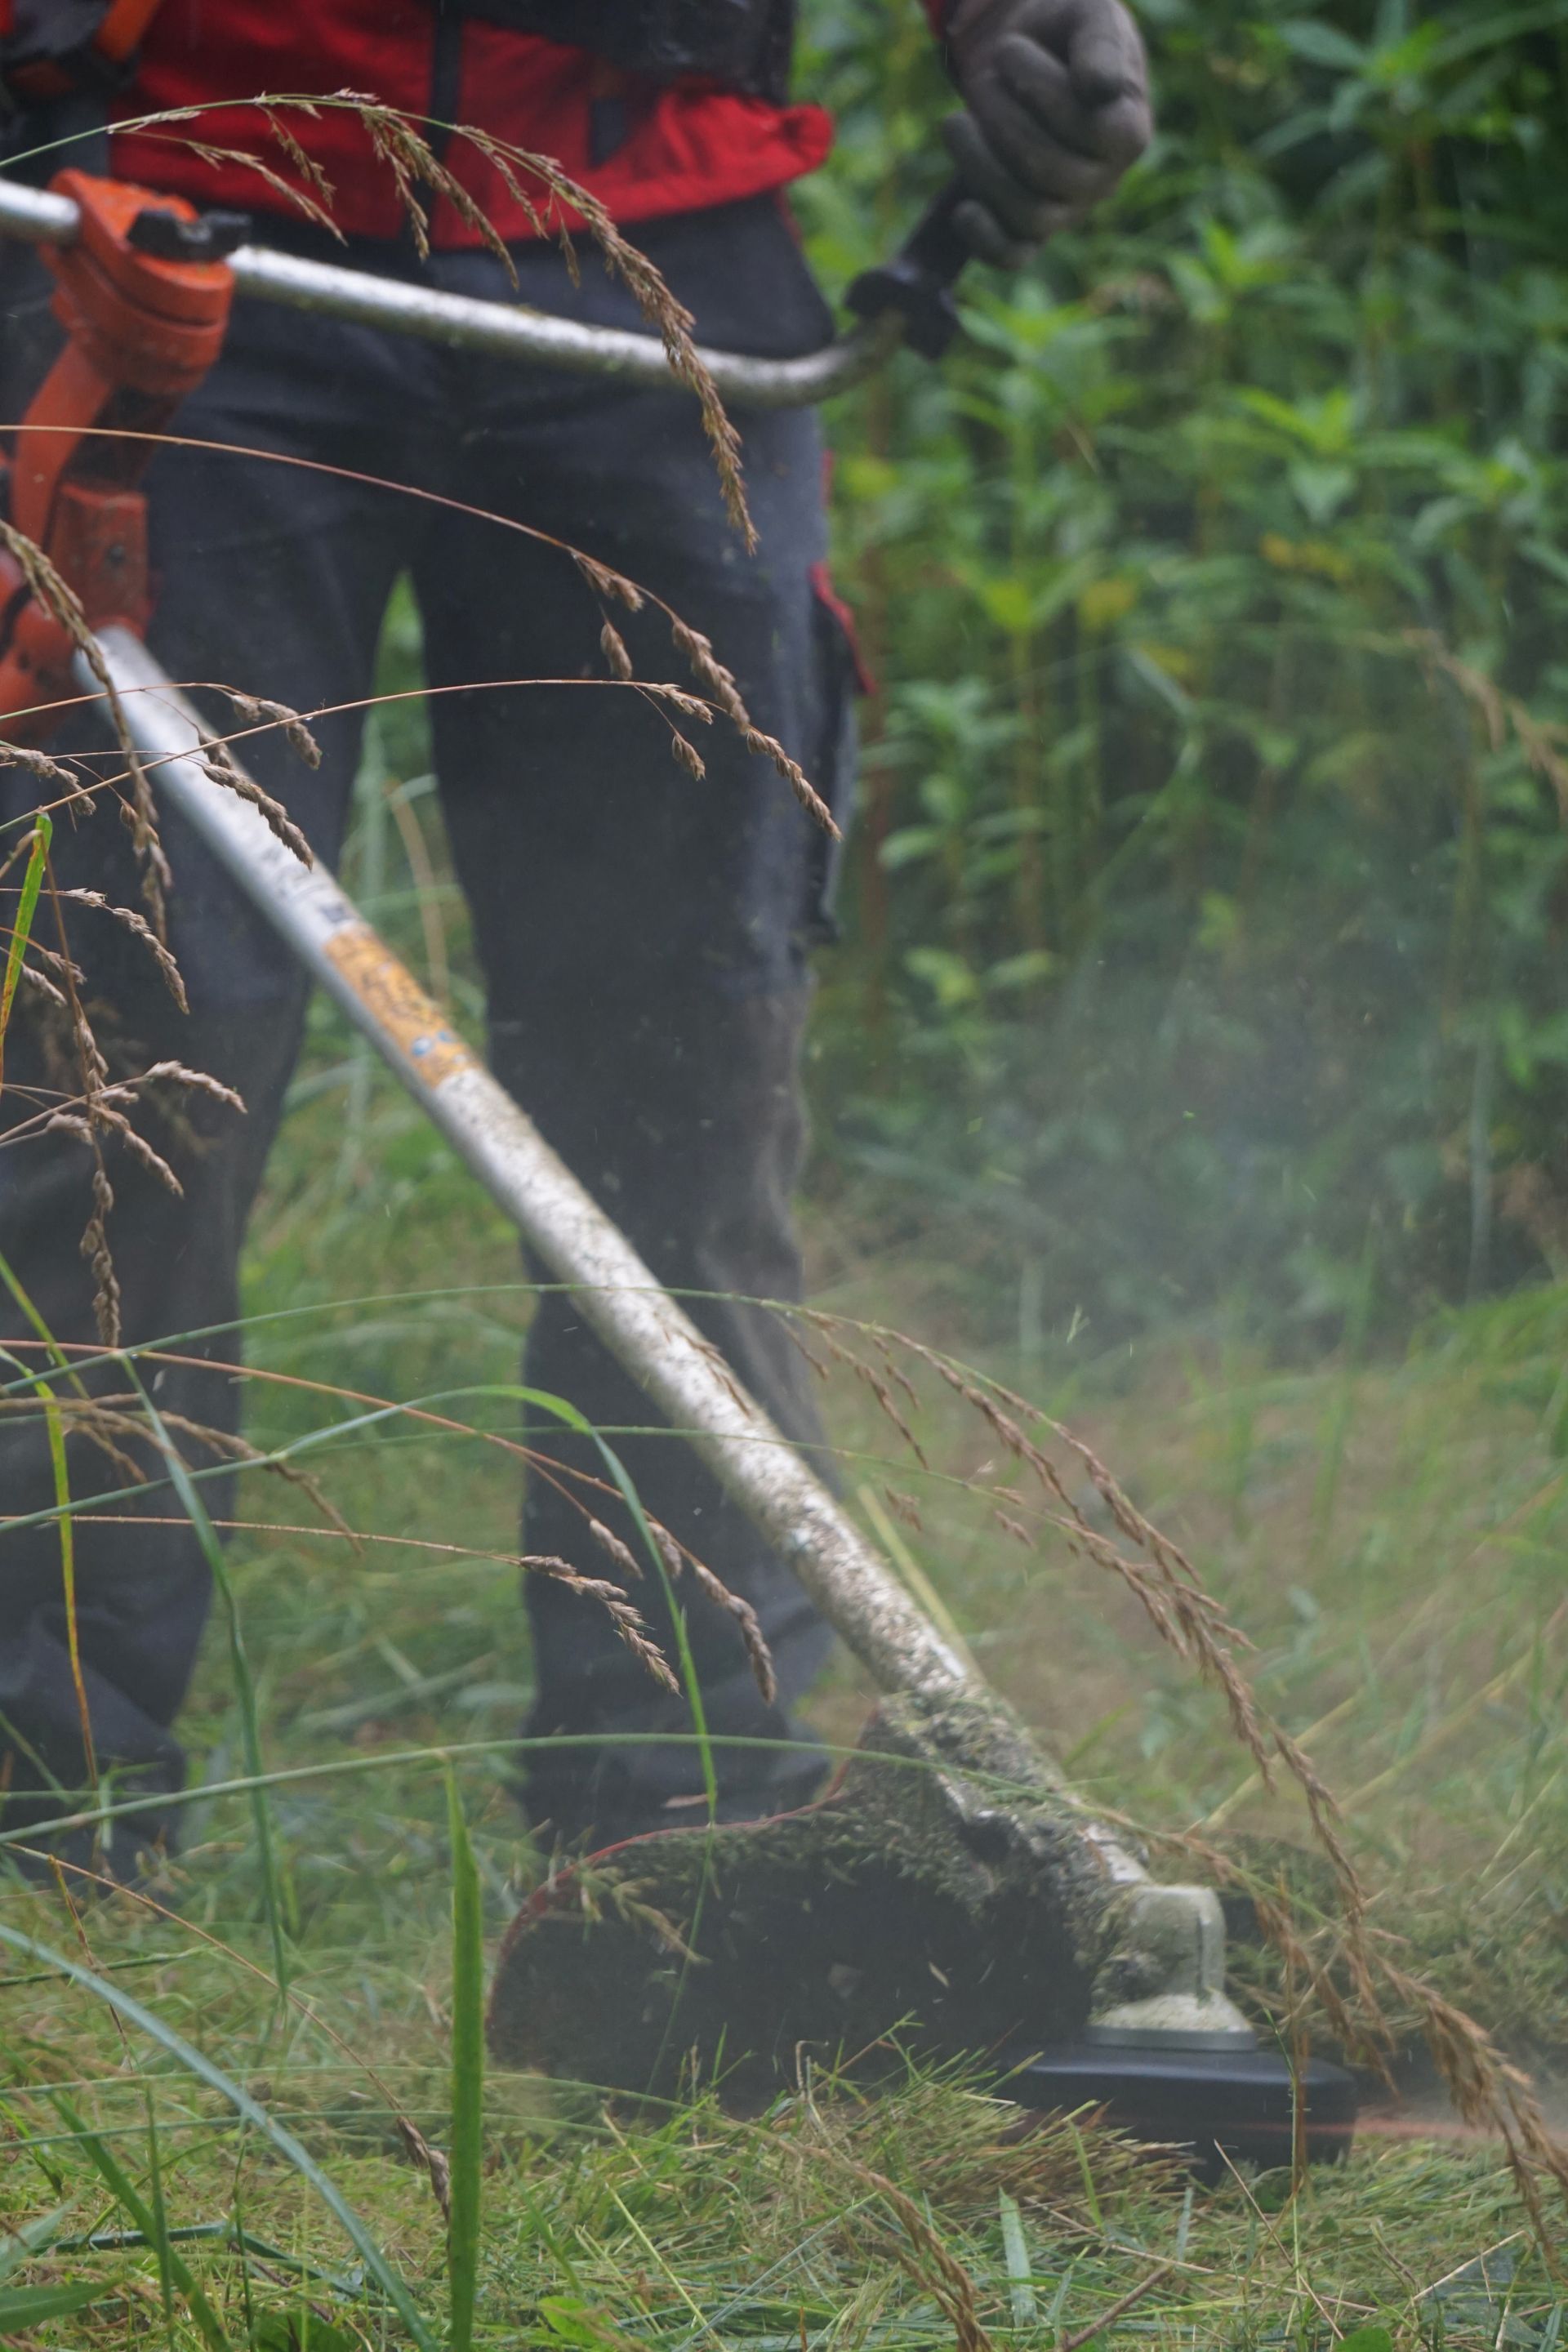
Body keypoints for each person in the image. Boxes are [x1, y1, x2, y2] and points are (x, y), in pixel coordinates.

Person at [0, 0, 1150, 1873]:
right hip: (165, 207)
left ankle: (680, 1845)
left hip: (651, 243)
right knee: (121, 1069)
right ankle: (39, 1823)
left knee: (677, 1085)